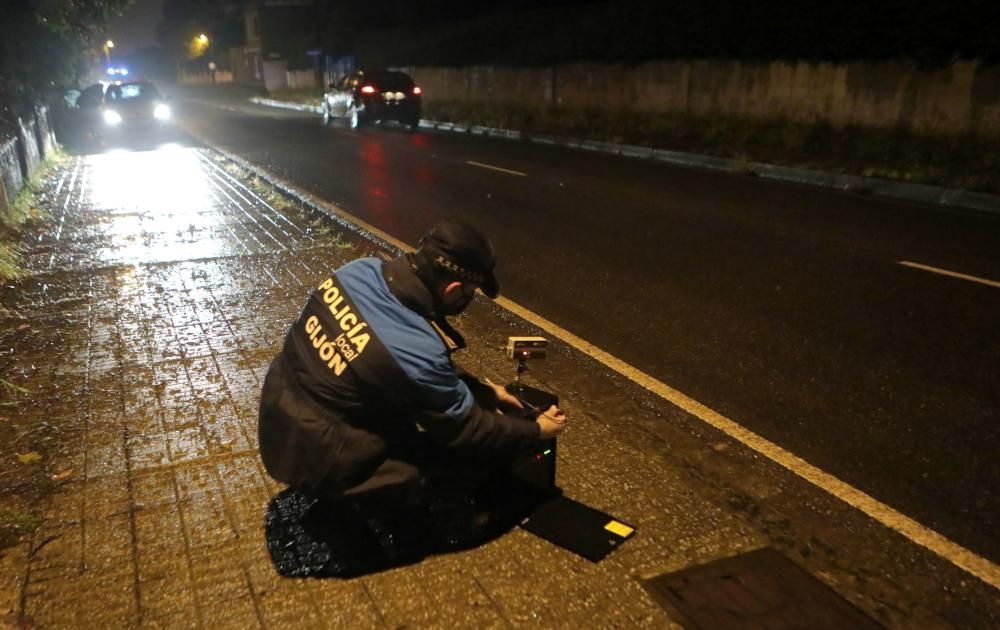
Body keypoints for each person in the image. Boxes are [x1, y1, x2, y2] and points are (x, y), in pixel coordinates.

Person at [257, 221, 567, 518]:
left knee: (403, 403)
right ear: (453, 289)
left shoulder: (358, 271)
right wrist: (537, 430)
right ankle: (358, 504)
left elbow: (400, 362)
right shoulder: (418, 352)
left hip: (277, 413)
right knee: (442, 462)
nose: (468, 299)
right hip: (316, 456)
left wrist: (484, 391)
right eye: (470, 292)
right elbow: (467, 429)